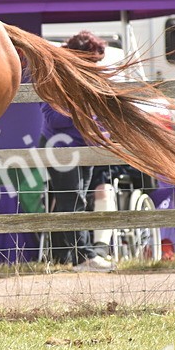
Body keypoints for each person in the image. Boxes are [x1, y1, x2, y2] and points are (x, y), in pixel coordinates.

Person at [40, 31, 115, 272]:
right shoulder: (54, 77)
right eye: (91, 61)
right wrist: (86, 117)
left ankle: (75, 256)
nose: (95, 67)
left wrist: (100, 132)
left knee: (78, 199)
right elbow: (54, 118)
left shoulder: (91, 80)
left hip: (85, 147)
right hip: (62, 149)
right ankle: (83, 257)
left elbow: (102, 118)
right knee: (72, 200)